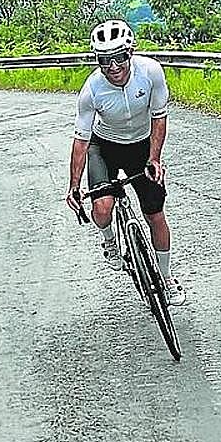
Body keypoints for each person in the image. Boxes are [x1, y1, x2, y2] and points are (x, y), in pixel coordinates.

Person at [65, 19, 186, 305]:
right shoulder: (92, 90)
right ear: (97, 60)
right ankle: (109, 239)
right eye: (105, 60)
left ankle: (167, 278)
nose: (114, 67)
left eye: (119, 58)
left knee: (155, 214)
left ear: (130, 53)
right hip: (103, 147)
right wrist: (73, 186)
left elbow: (159, 117)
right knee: (103, 206)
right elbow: (81, 141)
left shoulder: (150, 72)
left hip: (141, 146)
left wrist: (154, 159)